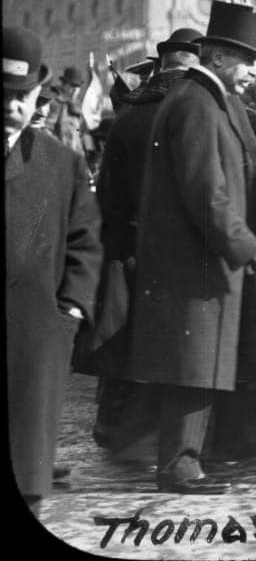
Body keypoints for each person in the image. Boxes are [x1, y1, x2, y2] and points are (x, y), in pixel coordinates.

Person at [124, 0, 256, 494]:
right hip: (194, 260)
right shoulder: (195, 103)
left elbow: (245, 175)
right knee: (194, 364)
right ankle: (178, 467)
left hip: (208, 257)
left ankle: (193, 457)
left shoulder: (215, 99)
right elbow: (204, 191)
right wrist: (250, 247)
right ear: (215, 58)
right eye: (248, 62)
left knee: (206, 361)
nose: (255, 73)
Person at [77, 28, 204, 457]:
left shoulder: (129, 113)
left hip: (123, 240)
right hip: (168, 247)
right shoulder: (186, 111)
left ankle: (112, 429)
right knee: (167, 345)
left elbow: (107, 188)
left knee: (120, 339)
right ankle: (153, 439)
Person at [5, 27, 102, 518]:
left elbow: (86, 242)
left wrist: (71, 305)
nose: (11, 108)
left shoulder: (60, 163)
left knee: (28, 471)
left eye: (22, 97)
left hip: (36, 328)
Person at [44, 64, 88, 157]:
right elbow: (46, 130)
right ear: (64, 84)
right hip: (57, 156)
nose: (75, 90)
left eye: (78, 86)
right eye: (72, 85)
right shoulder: (55, 101)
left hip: (74, 158)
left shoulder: (78, 106)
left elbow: (80, 136)